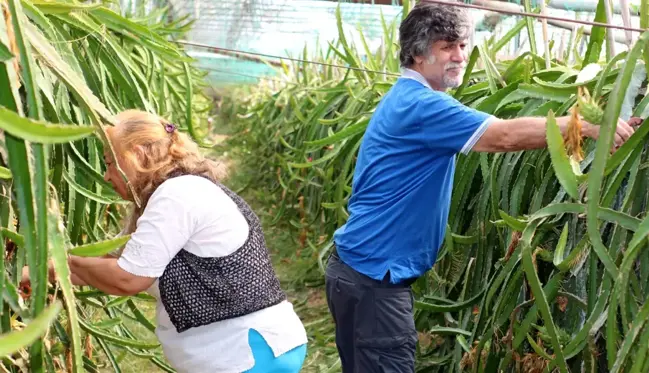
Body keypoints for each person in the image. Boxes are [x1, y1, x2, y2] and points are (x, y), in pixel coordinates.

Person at [324, 3, 636, 373]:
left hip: (360, 272)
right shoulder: (421, 106)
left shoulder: (411, 100)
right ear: (416, 54)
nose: (458, 56)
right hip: (374, 281)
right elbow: (503, 137)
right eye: (446, 47)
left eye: (463, 45)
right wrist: (583, 126)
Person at [24, 110, 308, 373]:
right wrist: (40, 269)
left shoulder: (177, 194)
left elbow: (128, 278)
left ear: (135, 155)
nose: (107, 175)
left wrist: (56, 265)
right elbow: (120, 262)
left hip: (247, 352)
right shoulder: (178, 190)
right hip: (244, 351)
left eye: (110, 162)